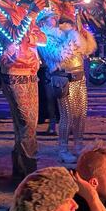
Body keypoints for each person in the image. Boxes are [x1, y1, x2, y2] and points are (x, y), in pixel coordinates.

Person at [0, 0, 48, 180]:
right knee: (27, 126)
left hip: (31, 71)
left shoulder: (21, 10)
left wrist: (29, 32)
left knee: (24, 127)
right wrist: (31, 16)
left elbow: (42, 38)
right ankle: (29, 175)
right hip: (14, 74)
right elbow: (13, 36)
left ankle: (20, 173)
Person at [37, 9, 96, 164]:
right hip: (63, 79)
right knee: (67, 116)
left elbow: (86, 50)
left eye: (55, 16)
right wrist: (72, 36)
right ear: (43, 21)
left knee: (80, 114)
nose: (55, 19)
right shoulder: (43, 37)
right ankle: (63, 150)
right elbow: (58, 54)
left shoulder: (63, 33)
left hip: (79, 76)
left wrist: (82, 36)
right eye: (51, 17)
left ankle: (78, 146)